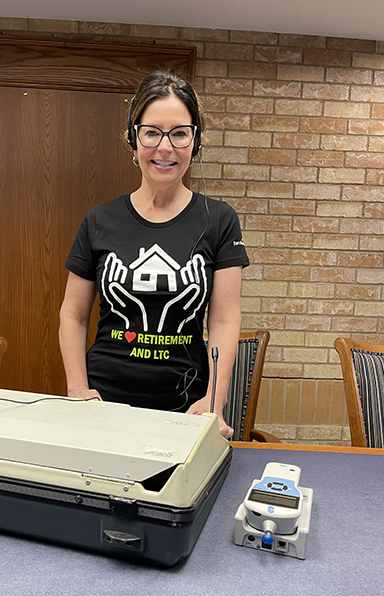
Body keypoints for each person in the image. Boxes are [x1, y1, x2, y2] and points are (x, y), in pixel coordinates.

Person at [59, 70, 249, 438]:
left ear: (195, 143)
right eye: (152, 132)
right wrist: (77, 391)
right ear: (134, 139)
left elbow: (224, 321)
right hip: (102, 405)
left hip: (185, 407)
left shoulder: (220, 220)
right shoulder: (99, 220)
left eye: (179, 133)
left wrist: (215, 399)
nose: (165, 147)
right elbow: (73, 313)